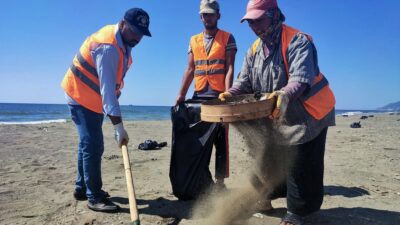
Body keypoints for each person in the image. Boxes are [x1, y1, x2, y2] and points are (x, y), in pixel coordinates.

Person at [219, 0, 336, 224]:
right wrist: (229, 94)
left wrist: (284, 94)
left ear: (273, 15)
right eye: (250, 22)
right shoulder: (254, 49)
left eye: (258, 20)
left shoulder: (298, 40)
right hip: (280, 113)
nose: (254, 26)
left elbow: (300, 80)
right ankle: (264, 197)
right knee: (268, 156)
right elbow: (244, 82)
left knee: (301, 162)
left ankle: (298, 213)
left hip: (310, 113)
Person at [61, 8, 151, 212]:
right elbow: (108, 91)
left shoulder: (123, 43)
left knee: (87, 142)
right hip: (79, 94)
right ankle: (94, 197)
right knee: (93, 144)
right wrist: (119, 127)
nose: (137, 37)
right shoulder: (108, 47)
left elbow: (112, 87)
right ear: (123, 24)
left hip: (93, 98)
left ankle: (81, 187)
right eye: (134, 31)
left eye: (141, 34)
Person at [175, 0, 237, 188]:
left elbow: (229, 67)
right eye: (204, 14)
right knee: (198, 139)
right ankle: (202, 178)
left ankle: (220, 182)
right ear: (200, 16)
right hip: (199, 95)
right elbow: (190, 68)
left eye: (210, 14)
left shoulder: (228, 37)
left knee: (221, 139)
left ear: (218, 15)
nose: (207, 17)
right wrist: (181, 94)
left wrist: (227, 94)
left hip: (219, 95)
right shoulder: (194, 40)